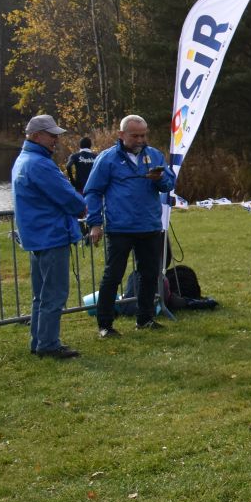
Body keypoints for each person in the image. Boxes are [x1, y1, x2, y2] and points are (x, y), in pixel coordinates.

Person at [84, 114, 177, 337]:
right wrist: (95, 223)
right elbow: (93, 192)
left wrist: (160, 179)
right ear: (121, 134)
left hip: (149, 226)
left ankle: (145, 319)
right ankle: (105, 325)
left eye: (143, 135)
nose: (140, 140)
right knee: (113, 276)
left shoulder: (154, 155)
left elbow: (169, 183)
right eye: (135, 136)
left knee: (149, 274)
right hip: (120, 228)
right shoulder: (107, 159)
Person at [12, 114, 86, 358]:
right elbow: (68, 197)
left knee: (41, 295)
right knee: (54, 294)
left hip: (36, 236)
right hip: (51, 235)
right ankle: (49, 344)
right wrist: (81, 206)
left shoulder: (23, 160)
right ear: (36, 136)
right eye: (51, 135)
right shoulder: (40, 164)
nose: (56, 139)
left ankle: (39, 341)